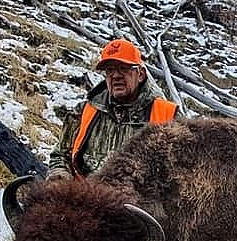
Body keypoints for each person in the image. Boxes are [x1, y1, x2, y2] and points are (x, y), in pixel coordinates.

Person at [48, 39, 179, 179]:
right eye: (110, 70)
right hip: (86, 195)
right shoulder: (85, 111)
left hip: (137, 199)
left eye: (123, 68)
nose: (116, 76)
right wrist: (59, 175)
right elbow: (61, 155)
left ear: (140, 74)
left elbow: (179, 175)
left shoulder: (168, 118)